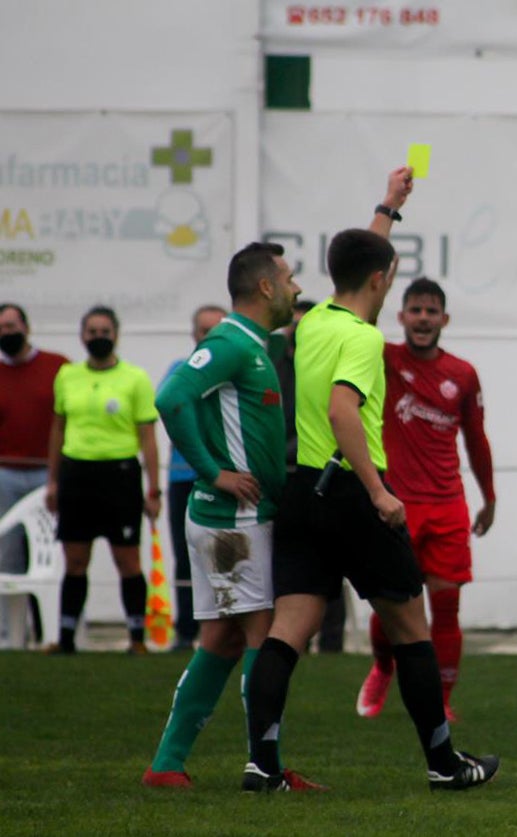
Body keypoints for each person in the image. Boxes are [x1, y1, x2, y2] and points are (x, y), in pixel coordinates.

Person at [242, 167, 498, 792]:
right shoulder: (360, 337)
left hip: (302, 491)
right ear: (383, 282)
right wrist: (381, 492)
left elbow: (362, 256)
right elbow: (341, 411)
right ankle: (444, 765)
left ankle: (261, 764)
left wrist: (388, 206)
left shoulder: (313, 323)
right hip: (354, 493)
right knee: (414, 630)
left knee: (287, 632)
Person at [140, 243, 325, 789]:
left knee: (221, 640)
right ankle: (264, 766)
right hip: (233, 519)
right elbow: (171, 396)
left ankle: (168, 766)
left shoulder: (254, 345)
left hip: (235, 517)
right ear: (266, 287)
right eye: (289, 278)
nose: (295, 288)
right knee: (263, 639)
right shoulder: (229, 342)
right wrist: (214, 471)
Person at [356, 277, 496, 722]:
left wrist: (489, 498)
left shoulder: (463, 374)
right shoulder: (386, 358)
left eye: (431, 311)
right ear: (401, 317)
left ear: (444, 319)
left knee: (447, 606)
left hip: (449, 506)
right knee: (393, 601)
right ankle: (382, 666)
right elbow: (362, 318)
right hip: (398, 505)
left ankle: (443, 699)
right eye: (414, 310)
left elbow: (477, 440)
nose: (422, 319)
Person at [45, 306, 162, 655]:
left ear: (116, 335)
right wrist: (53, 481)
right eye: (92, 332)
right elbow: (58, 429)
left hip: (120, 477)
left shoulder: (135, 378)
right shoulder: (67, 375)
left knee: (128, 561)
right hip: (76, 475)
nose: (99, 337)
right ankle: (66, 639)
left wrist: (153, 489)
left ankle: (137, 639)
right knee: (75, 560)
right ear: (82, 336)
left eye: (105, 331)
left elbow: (148, 438)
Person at [275, 298, 347, 653]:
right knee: (291, 568)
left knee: (331, 563)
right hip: (284, 476)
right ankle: (293, 642)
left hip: (323, 476)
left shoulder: (329, 365)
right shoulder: (273, 366)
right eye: (294, 326)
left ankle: (332, 645)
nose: (299, 333)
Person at [161, 304, 228, 651]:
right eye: (204, 331)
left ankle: (225, 630)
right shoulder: (180, 370)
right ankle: (186, 631)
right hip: (184, 477)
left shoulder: (234, 372)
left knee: (226, 555)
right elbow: (176, 419)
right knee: (185, 555)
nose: (209, 337)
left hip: (227, 479)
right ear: (193, 335)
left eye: (216, 330)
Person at [0, 303, 68, 644]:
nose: (7, 332)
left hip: (48, 475)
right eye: (1, 327)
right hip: (5, 475)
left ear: (26, 327)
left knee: (53, 556)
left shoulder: (58, 367)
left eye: (12, 325)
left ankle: (53, 632)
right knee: (6, 555)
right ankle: (9, 634)